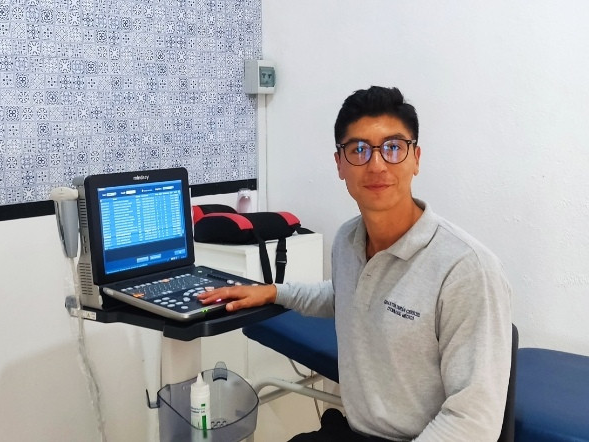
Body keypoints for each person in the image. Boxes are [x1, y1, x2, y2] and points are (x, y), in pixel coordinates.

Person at [198, 86, 512, 441]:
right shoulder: (348, 239)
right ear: (340, 164)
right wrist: (272, 292)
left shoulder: (466, 269)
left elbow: (473, 423)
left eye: (393, 147)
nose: (376, 164)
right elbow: (344, 295)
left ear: (416, 158)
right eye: (359, 149)